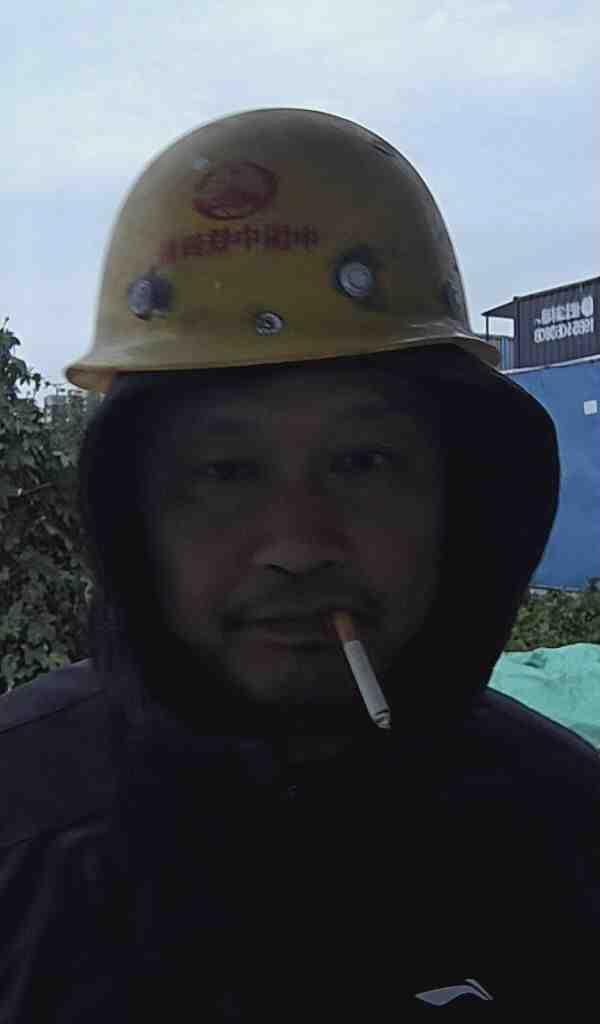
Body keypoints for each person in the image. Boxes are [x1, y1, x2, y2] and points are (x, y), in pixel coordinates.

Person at [1, 108, 599, 1021]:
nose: (297, 545)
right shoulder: (22, 836)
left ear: (461, 499)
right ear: (132, 515)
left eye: (363, 463)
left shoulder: (568, 838)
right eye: (225, 472)